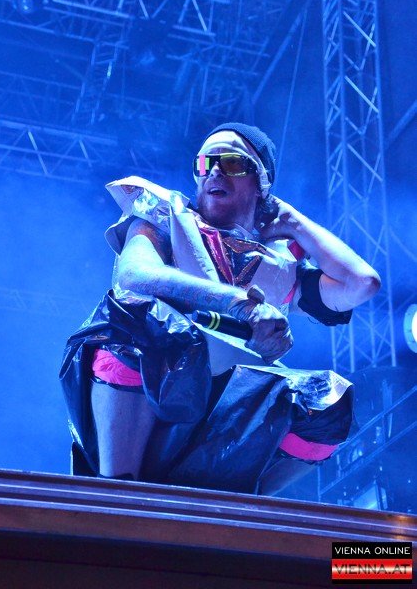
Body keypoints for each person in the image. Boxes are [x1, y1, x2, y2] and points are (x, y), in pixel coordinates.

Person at [60, 122, 381, 495]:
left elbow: (362, 283)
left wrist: (292, 221)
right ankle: (117, 493)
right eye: (204, 163)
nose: (213, 171)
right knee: (137, 314)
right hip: (156, 389)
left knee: (328, 401)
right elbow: (133, 277)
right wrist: (240, 305)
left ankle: (248, 506)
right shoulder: (164, 217)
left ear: (261, 182)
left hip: (230, 409)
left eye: (231, 162)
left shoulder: (278, 263)